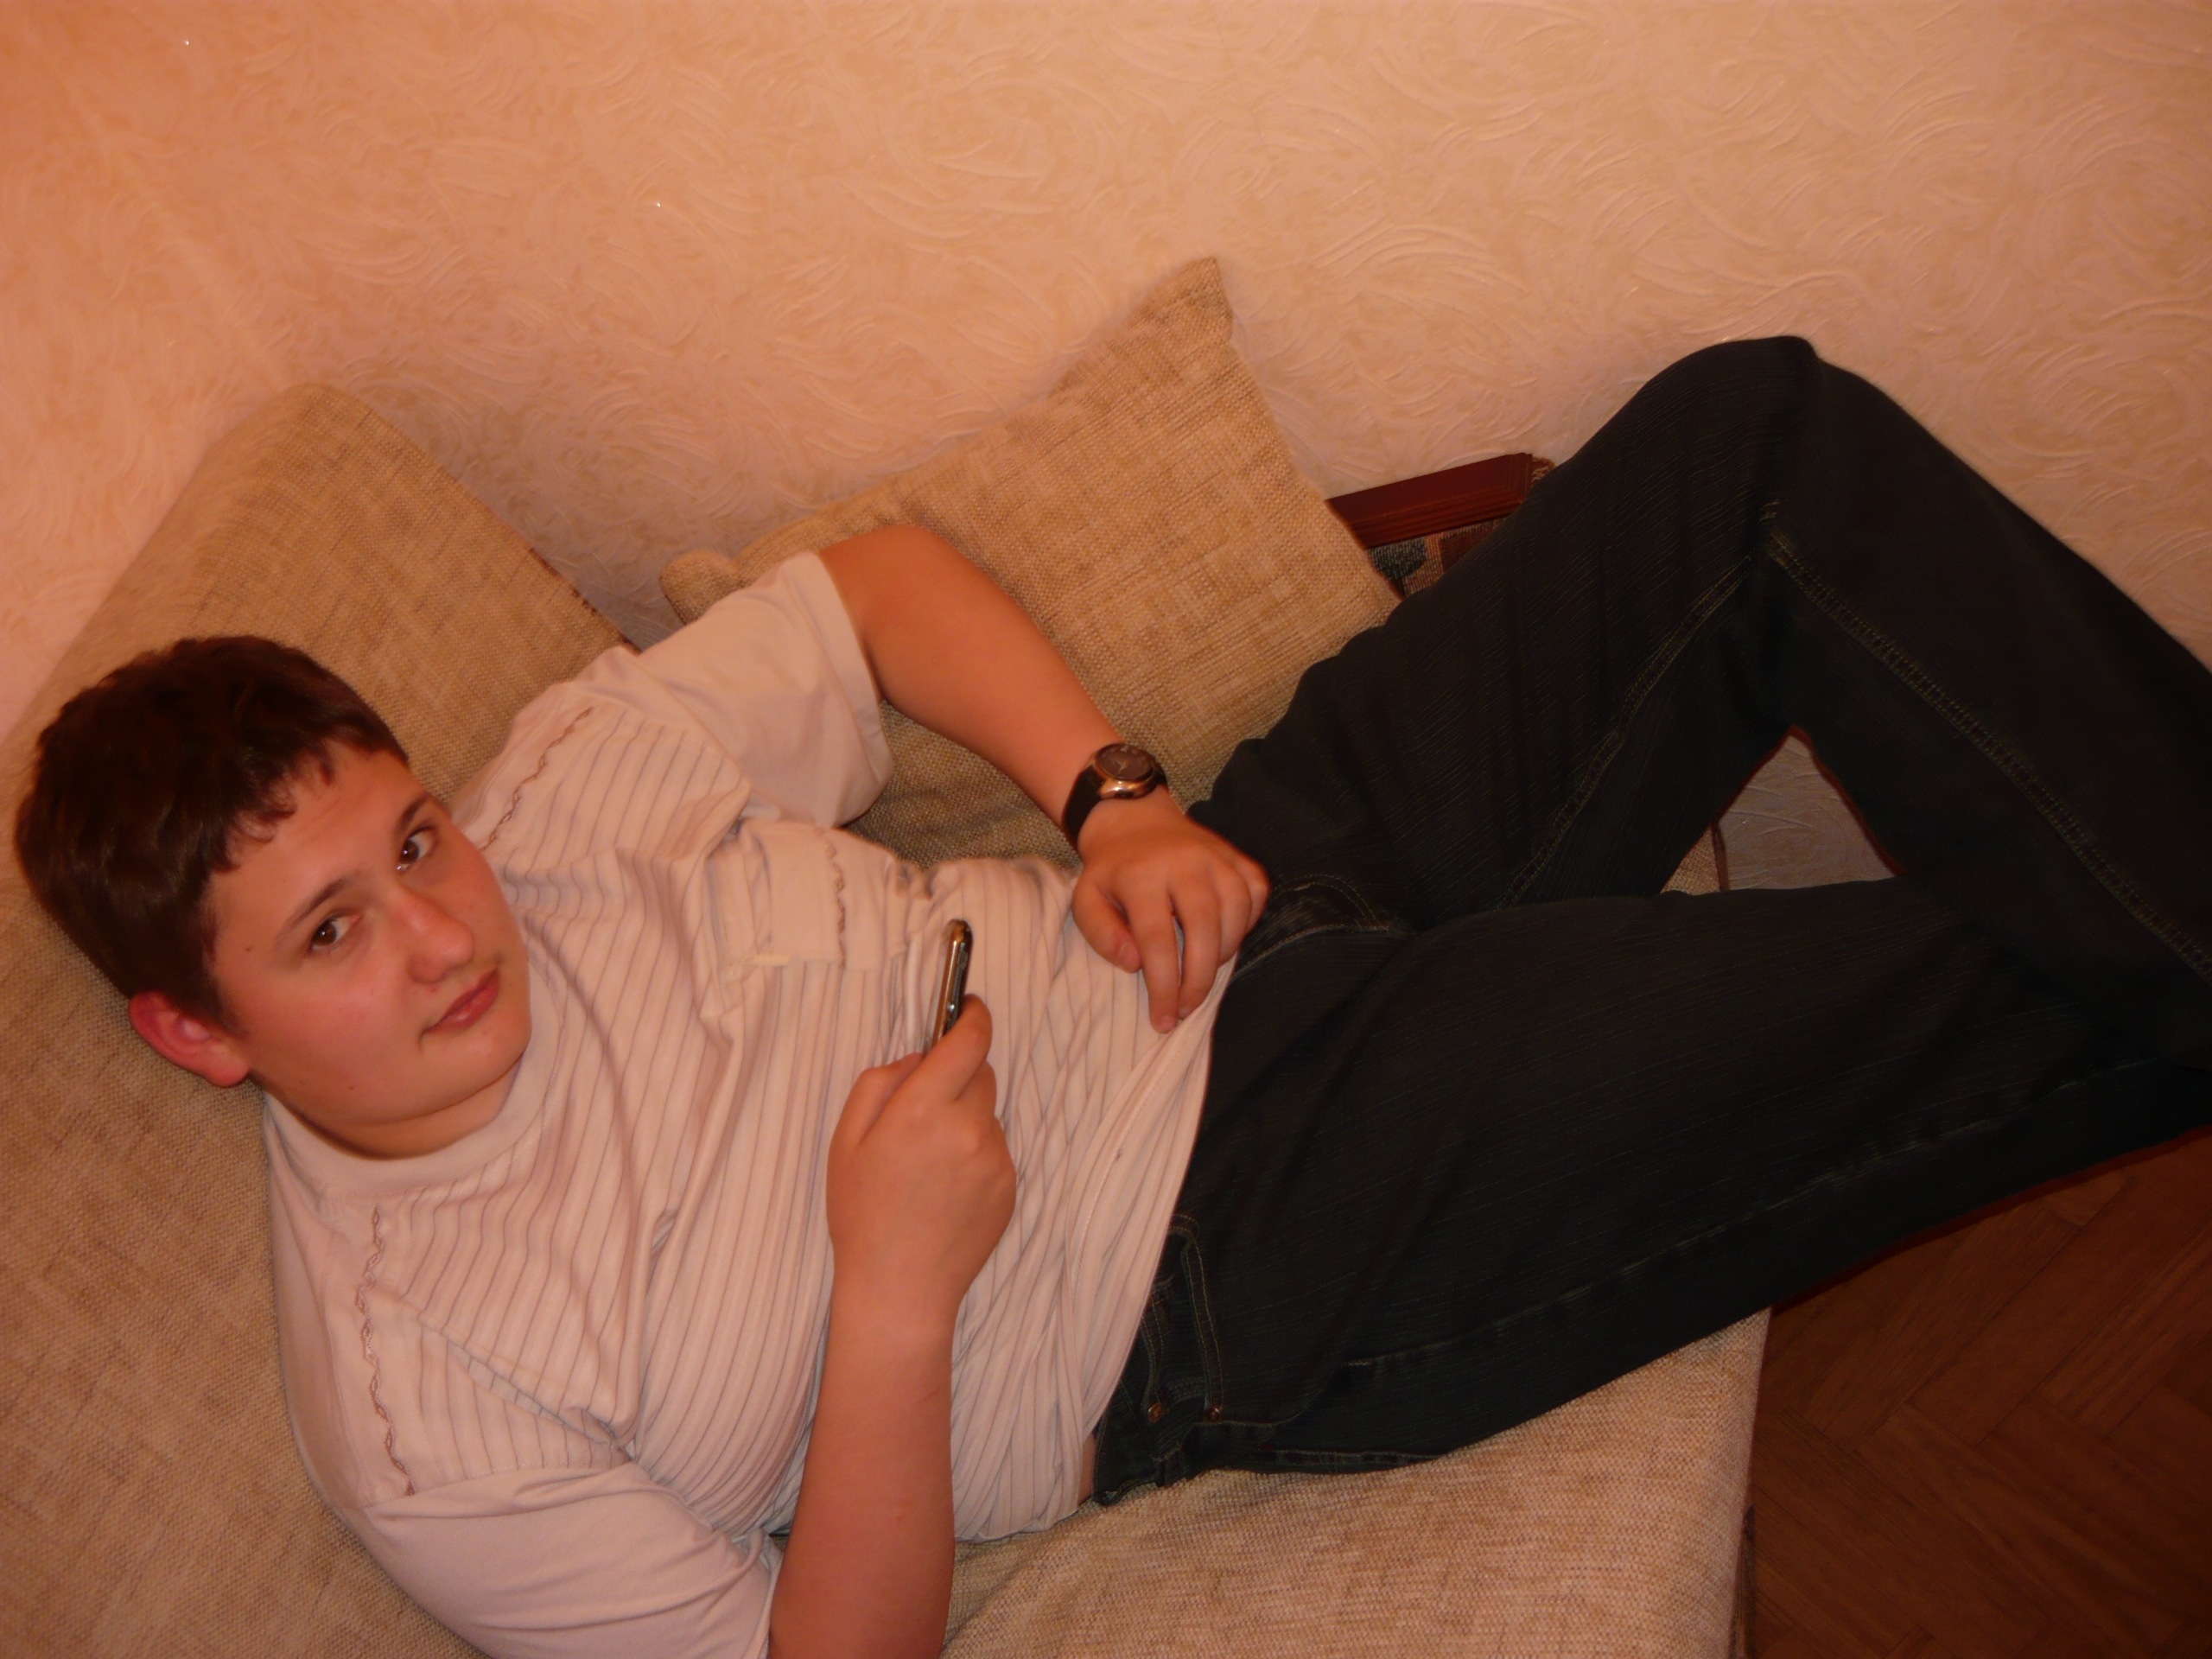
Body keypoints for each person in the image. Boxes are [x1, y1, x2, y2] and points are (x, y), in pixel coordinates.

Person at [16, 338, 2212, 1659]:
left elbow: (874, 592)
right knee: (1997, 963)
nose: (441, 933)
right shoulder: (429, 1413)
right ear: (195, 1034)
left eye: (409, 841)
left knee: (1753, 443)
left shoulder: (569, 797)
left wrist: (1113, 799)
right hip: (1219, 1256)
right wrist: (893, 1301)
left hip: (1234, 894)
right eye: (327, 935)